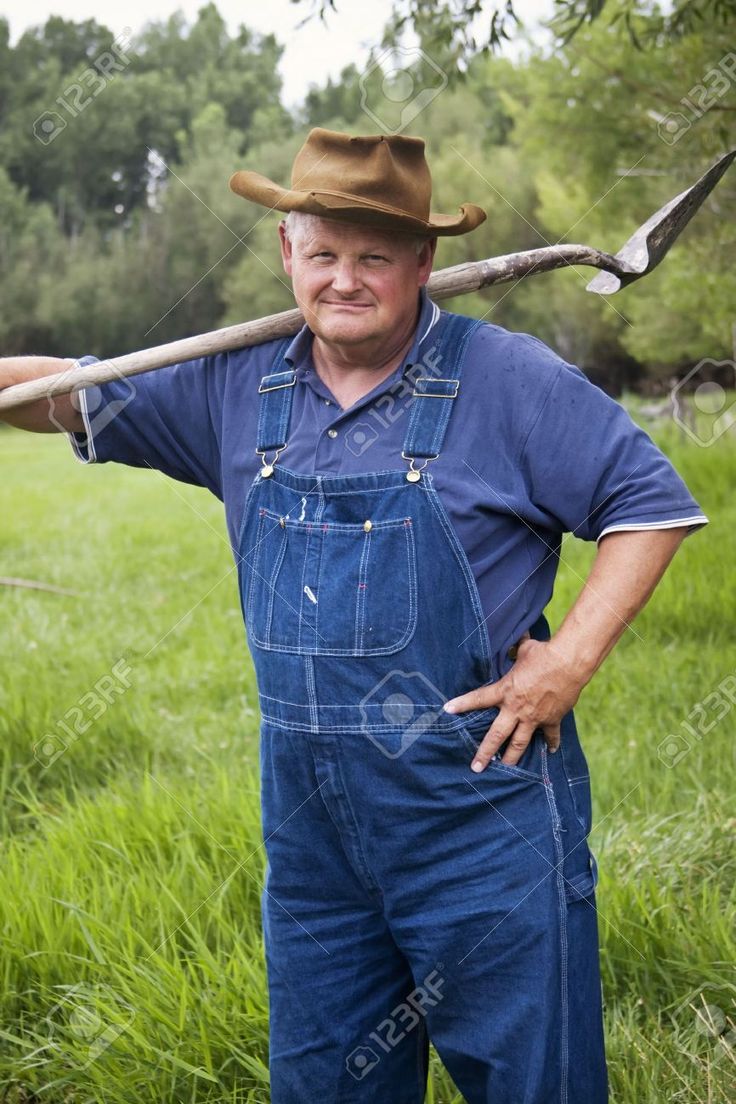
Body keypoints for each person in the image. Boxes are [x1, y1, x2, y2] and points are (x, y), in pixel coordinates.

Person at [0, 127, 707, 1104]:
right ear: (287, 252)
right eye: (322, 253)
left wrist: (568, 660)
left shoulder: (507, 379)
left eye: (373, 257)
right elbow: (65, 398)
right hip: (314, 857)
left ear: (423, 263)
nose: (343, 279)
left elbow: (651, 503)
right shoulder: (236, 386)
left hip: (479, 833)